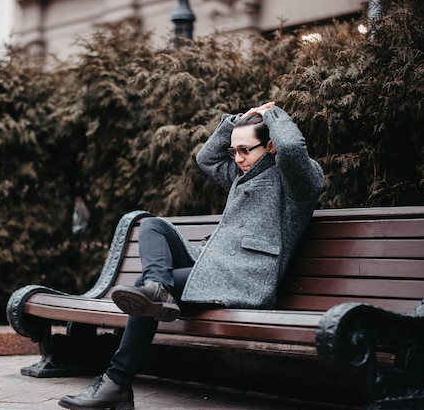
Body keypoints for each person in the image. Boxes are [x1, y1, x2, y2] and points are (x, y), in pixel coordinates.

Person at [58, 102, 325, 410]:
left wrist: (271, 114)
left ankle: (116, 383)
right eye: (233, 151)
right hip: (212, 267)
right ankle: (158, 290)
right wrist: (237, 121)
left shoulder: (296, 184)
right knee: (153, 226)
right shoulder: (242, 176)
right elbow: (206, 158)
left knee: (141, 283)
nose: (238, 159)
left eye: (245, 150)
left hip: (242, 279)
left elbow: (292, 148)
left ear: (270, 145)